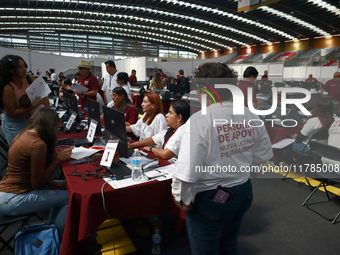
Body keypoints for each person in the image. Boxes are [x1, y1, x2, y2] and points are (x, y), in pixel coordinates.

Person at [171, 62, 273, 255]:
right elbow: (263, 154)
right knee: (229, 245)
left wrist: (182, 200)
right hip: (243, 191)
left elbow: (187, 172)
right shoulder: (249, 113)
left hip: (211, 197)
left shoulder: (201, 119)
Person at [0, 108, 73, 236]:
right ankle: (55, 239)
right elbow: (37, 184)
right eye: (56, 127)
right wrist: (58, 159)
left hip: (9, 191)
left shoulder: (25, 133)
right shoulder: (37, 144)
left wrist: (56, 185)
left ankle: (52, 229)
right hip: (13, 198)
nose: (57, 130)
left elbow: (34, 176)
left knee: (68, 184)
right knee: (71, 197)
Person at [0, 55, 49, 145]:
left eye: (24, 66)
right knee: (21, 151)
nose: (24, 69)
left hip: (30, 120)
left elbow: (44, 94)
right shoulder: (8, 88)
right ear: (11, 70)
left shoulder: (28, 78)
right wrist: (33, 106)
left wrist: (49, 115)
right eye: (20, 67)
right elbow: (12, 113)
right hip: (14, 124)